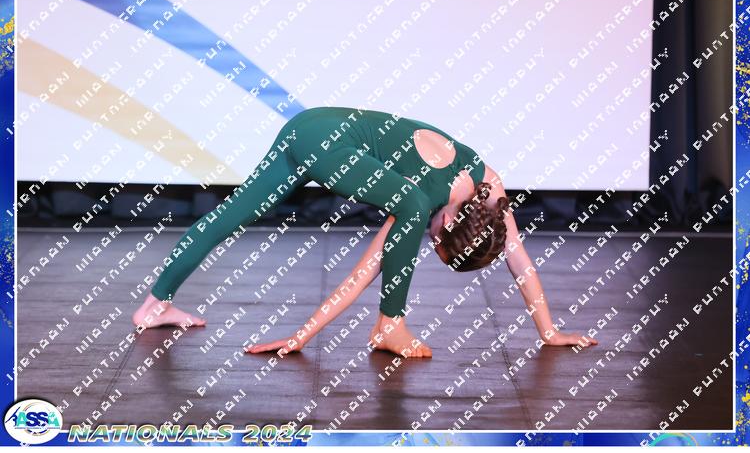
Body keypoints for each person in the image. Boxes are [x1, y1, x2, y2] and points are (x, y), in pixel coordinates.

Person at [132, 106, 598, 358]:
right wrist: (301, 338)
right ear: (448, 229)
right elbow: (364, 272)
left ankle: (154, 305)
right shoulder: (421, 200)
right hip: (326, 141)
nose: (428, 237)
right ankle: (390, 325)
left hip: (309, 125)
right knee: (411, 205)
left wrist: (549, 330)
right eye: (435, 242)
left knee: (231, 215)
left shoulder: (487, 184)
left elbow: (517, 255)